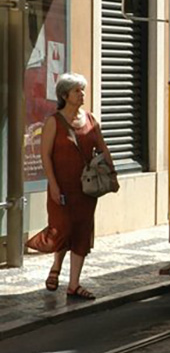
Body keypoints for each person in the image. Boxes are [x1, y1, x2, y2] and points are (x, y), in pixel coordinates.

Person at [26, 73, 118, 300]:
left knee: (81, 232)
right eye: (77, 90)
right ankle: (56, 265)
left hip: (86, 188)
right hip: (62, 186)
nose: (82, 94)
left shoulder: (90, 120)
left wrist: (112, 174)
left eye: (82, 89)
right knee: (62, 229)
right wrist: (53, 185)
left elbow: (103, 148)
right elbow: (45, 156)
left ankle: (74, 284)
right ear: (65, 95)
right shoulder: (53, 122)